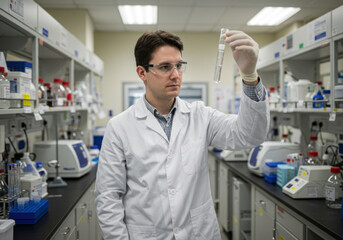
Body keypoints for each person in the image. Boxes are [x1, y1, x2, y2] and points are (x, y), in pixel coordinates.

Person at [95, 30, 270, 240]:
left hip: (198, 233)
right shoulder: (119, 127)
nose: (176, 74)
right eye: (165, 67)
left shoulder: (200, 116)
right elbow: (108, 197)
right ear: (142, 73)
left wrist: (249, 75)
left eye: (179, 65)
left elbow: (249, 135)